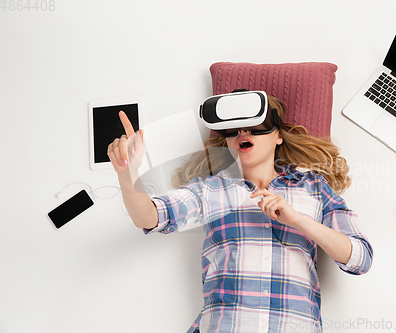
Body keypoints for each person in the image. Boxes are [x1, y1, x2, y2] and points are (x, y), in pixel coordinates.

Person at [107, 93, 373, 333]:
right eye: (234, 128)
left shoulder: (313, 187)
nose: (243, 131)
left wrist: (298, 220)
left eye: (255, 125)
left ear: (278, 135)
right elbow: (149, 217)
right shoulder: (210, 190)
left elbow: (360, 259)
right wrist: (128, 175)